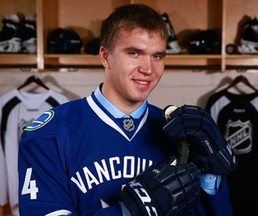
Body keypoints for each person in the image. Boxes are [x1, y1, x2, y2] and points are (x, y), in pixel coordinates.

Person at [18, 4, 236, 216]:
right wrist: (128, 211)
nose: (148, 69)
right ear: (105, 56)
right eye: (134, 53)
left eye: (157, 56)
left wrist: (210, 175)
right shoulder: (49, 133)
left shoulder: (176, 131)